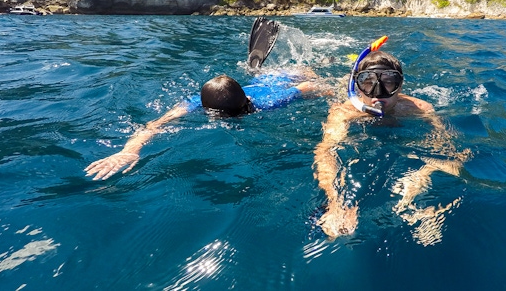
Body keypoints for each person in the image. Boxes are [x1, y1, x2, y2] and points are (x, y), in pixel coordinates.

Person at [85, 17, 321, 181]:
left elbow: (156, 125)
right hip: (269, 85)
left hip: (277, 81)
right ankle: (257, 72)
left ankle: (258, 71)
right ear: (246, 98)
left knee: (300, 71)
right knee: (301, 73)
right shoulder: (268, 103)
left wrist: (131, 149)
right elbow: (310, 86)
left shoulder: (196, 103)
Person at [313, 36, 471, 244]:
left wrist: (422, 176)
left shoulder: (419, 110)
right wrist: (336, 202)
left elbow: (453, 153)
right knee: (319, 88)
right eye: (368, 83)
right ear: (357, 87)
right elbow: (326, 151)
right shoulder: (345, 112)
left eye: (389, 83)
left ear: (401, 85)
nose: (378, 93)